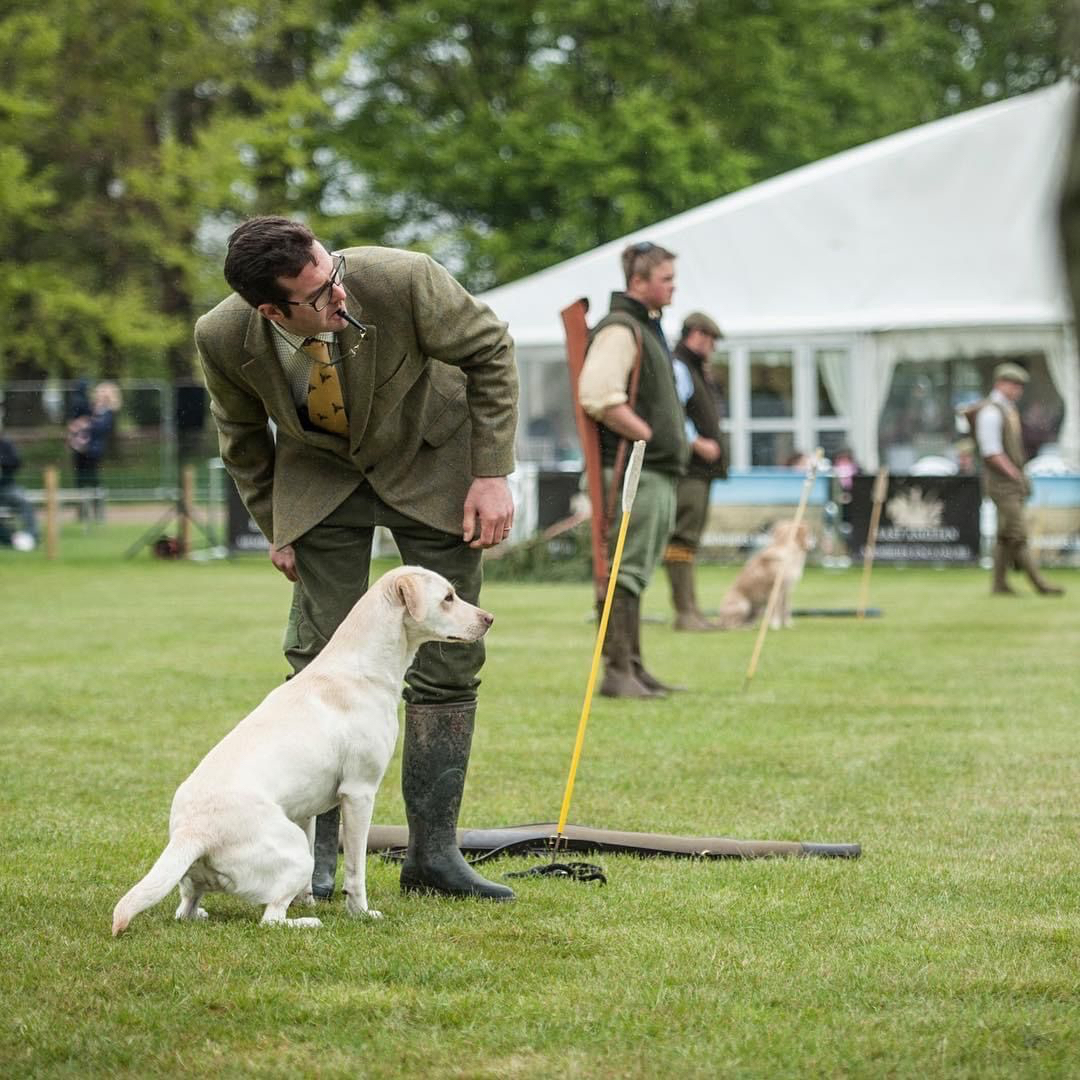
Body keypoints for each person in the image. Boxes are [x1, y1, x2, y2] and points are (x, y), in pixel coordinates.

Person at [195, 216, 519, 902]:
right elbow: (242, 437)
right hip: (321, 478)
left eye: (333, 272)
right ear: (269, 309)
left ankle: (434, 857)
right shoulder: (221, 336)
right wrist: (276, 526)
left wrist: (492, 473)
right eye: (317, 295)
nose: (338, 297)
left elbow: (490, 351)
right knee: (316, 653)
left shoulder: (405, 278)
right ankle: (312, 865)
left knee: (452, 651)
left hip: (432, 462)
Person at [578, 241, 689, 697]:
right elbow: (598, 393)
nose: (672, 287)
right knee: (623, 570)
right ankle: (618, 671)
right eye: (665, 278)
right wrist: (644, 431)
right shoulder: (623, 328)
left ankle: (633, 667)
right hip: (630, 470)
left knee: (635, 569)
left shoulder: (644, 327)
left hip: (651, 470)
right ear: (638, 281)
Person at [971, 363, 1064, 597]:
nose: (1018, 390)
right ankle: (1040, 584)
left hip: (1010, 480)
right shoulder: (991, 412)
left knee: (1005, 535)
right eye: (1014, 385)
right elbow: (991, 452)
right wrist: (1014, 473)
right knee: (1018, 532)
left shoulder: (1007, 410)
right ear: (1000, 383)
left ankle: (999, 585)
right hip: (1002, 483)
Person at [662, 312, 726, 631]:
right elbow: (673, 409)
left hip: (700, 471)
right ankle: (685, 612)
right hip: (689, 468)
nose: (712, 347)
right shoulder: (679, 367)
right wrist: (697, 442)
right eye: (710, 339)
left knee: (690, 538)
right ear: (697, 335)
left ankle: (692, 610)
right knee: (682, 537)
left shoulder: (695, 368)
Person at [67, 381, 121, 520]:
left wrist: (83, 424)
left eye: (103, 392)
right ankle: (83, 512)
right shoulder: (90, 408)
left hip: (94, 451)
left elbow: (100, 428)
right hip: (80, 449)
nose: (99, 394)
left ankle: (98, 512)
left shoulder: (108, 412)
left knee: (94, 480)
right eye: (99, 391)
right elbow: (76, 422)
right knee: (80, 481)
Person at [0, 434, 38, 550]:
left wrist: (2, 461)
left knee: (24, 501)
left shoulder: (5, 445)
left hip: (7, 488)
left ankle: (31, 536)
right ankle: (12, 539)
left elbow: (16, 462)